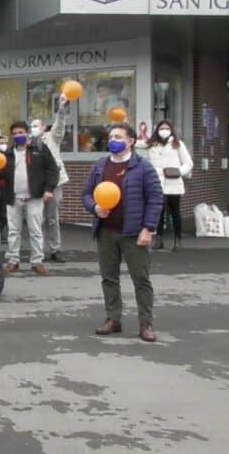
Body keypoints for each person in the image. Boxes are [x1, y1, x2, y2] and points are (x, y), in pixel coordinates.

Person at [82, 123, 163, 343]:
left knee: (141, 280)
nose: (113, 140)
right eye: (111, 137)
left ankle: (145, 324)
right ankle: (113, 319)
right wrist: (95, 208)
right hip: (106, 232)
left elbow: (156, 198)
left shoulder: (143, 167)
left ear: (131, 141)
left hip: (134, 233)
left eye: (118, 137)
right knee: (109, 279)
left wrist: (148, 228)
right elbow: (86, 194)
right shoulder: (100, 165)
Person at [0, 121, 59, 276]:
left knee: (35, 231)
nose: (18, 136)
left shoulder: (40, 149)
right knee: (13, 231)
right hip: (13, 198)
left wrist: (49, 189)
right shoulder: (8, 153)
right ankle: (13, 261)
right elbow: (4, 174)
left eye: (21, 133)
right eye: (15, 134)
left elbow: (53, 170)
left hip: (34, 197)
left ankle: (37, 262)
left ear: (27, 133)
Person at [136, 120, 193, 252]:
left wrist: (178, 172)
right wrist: (126, 127)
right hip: (157, 183)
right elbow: (133, 142)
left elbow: (188, 163)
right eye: (162, 128)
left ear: (171, 130)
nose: (164, 130)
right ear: (157, 130)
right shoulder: (151, 144)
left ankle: (177, 240)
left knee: (175, 212)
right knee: (158, 212)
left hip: (173, 183)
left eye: (167, 128)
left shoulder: (177, 144)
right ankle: (159, 239)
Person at [30, 98, 70, 263]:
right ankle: (37, 250)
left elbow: (59, 125)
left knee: (52, 218)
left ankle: (55, 249)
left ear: (44, 127)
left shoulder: (52, 137)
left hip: (54, 183)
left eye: (36, 126)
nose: (33, 129)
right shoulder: (28, 142)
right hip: (36, 184)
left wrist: (61, 109)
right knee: (36, 218)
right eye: (31, 126)